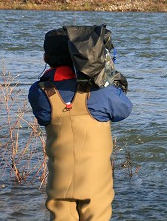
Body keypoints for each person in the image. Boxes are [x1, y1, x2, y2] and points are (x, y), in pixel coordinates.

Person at [28, 28, 133, 221]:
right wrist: (107, 78)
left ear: (45, 57)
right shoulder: (101, 91)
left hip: (59, 181)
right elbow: (124, 110)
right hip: (96, 182)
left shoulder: (39, 91)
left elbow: (43, 118)